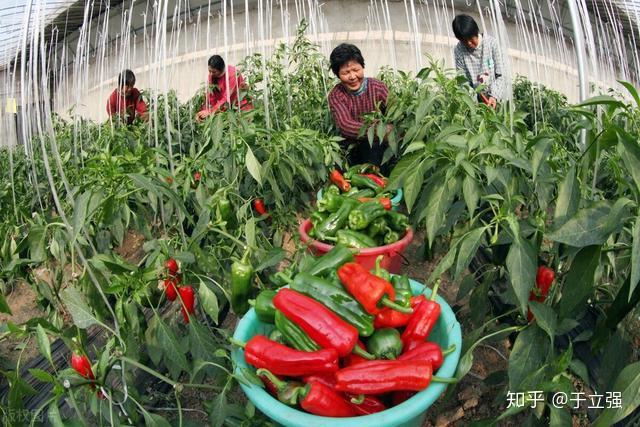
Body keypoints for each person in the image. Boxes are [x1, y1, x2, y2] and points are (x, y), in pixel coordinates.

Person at [328, 43, 391, 168]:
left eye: (356, 70)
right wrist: (380, 130)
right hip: (352, 148)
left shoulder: (377, 87)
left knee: (375, 154)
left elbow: (395, 110)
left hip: (378, 146)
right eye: (346, 73)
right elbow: (346, 126)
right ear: (338, 75)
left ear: (362, 67)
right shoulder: (337, 95)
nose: (352, 77)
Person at [452, 14, 506, 108]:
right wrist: (474, 103)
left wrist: (494, 96)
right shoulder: (459, 50)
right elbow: (463, 81)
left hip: (497, 98)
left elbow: (501, 74)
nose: (469, 43)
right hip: (475, 100)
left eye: (471, 38)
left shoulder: (491, 44)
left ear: (476, 31)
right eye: (464, 41)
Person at [195, 55, 251, 122]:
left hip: (241, 107)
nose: (211, 74)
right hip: (226, 109)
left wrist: (210, 111)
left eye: (214, 72)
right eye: (209, 71)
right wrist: (203, 111)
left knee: (243, 128)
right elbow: (211, 96)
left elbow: (226, 99)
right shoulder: (212, 76)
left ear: (221, 69)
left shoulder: (233, 74)